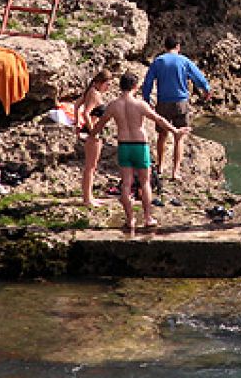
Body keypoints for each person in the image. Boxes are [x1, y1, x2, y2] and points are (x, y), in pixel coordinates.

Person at [90, 70, 190, 234]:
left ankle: (130, 220)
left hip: (124, 145)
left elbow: (100, 124)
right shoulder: (140, 104)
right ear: (135, 86)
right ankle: (148, 218)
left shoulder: (113, 105)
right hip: (140, 145)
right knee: (144, 183)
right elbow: (159, 119)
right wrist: (175, 131)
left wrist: (91, 135)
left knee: (126, 184)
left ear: (121, 86)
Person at [141, 34, 211, 201]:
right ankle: (176, 171)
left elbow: (148, 82)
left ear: (165, 47)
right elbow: (198, 78)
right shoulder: (184, 61)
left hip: (163, 102)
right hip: (181, 102)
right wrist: (206, 89)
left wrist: (147, 98)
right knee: (179, 136)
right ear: (178, 46)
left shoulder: (158, 61)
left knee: (162, 135)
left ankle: (160, 167)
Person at [73, 69, 112, 207]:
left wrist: (76, 123)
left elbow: (77, 105)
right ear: (100, 83)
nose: (108, 87)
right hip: (93, 133)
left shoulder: (90, 91)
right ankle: (87, 199)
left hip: (91, 131)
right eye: (107, 84)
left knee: (91, 166)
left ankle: (88, 196)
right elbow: (86, 113)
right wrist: (93, 132)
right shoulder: (94, 94)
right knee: (91, 166)